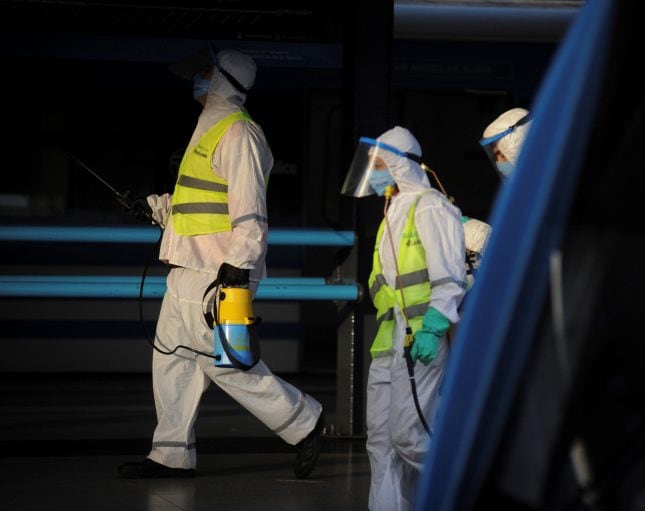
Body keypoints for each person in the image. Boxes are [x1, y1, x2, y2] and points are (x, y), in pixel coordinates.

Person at [118, 47, 324, 479]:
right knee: (171, 358)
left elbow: (249, 209)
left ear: (223, 80)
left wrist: (239, 265)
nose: (197, 77)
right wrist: (156, 208)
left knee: (223, 361)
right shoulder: (209, 128)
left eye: (205, 71)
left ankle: (306, 422)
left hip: (218, 271)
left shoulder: (240, 134)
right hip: (186, 267)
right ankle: (170, 454)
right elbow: (199, 200)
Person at [341, 126, 467, 510]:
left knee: (408, 435)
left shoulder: (431, 207)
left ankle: (468, 486)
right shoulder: (393, 210)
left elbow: (449, 277)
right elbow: (385, 279)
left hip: (420, 338)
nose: (374, 173)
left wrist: (433, 327)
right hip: (390, 338)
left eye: (379, 165)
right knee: (380, 440)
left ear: (399, 165)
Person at [462, 107, 532, 284]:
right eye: (495, 156)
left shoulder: (541, 193)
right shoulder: (521, 195)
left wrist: (483, 240)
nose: (499, 163)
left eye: (501, 155)